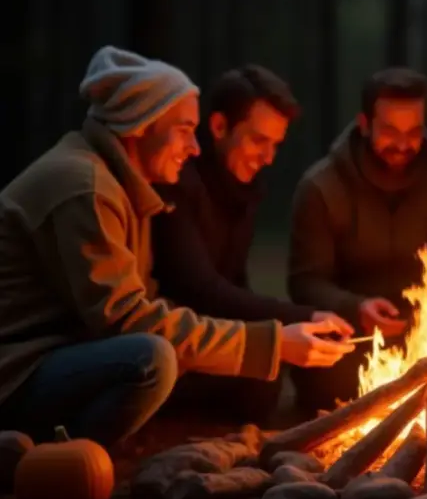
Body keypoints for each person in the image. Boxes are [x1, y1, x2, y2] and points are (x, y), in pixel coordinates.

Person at [0, 46, 353, 447]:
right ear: (141, 124)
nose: (195, 146)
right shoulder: (85, 186)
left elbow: (149, 301)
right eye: (185, 129)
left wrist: (255, 349)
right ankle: (50, 453)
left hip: (64, 353)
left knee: (221, 368)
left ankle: (41, 445)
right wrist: (270, 342)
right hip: (17, 372)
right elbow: (128, 320)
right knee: (151, 359)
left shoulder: (126, 187)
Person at [152, 65, 353, 422]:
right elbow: (199, 287)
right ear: (218, 127)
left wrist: (295, 329)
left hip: (215, 337)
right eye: (258, 140)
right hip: (170, 343)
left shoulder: (241, 191)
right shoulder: (178, 182)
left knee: (275, 378)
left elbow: (235, 283)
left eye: (276, 144)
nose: (269, 157)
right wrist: (299, 318)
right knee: (261, 378)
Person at [288, 68, 427, 415]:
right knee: (329, 385)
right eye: (390, 131)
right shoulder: (322, 188)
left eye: (414, 132)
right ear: (364, 123)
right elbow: (304, 282)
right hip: (350, 338)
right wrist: (357, 308)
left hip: (424, 337)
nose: (402, 144)